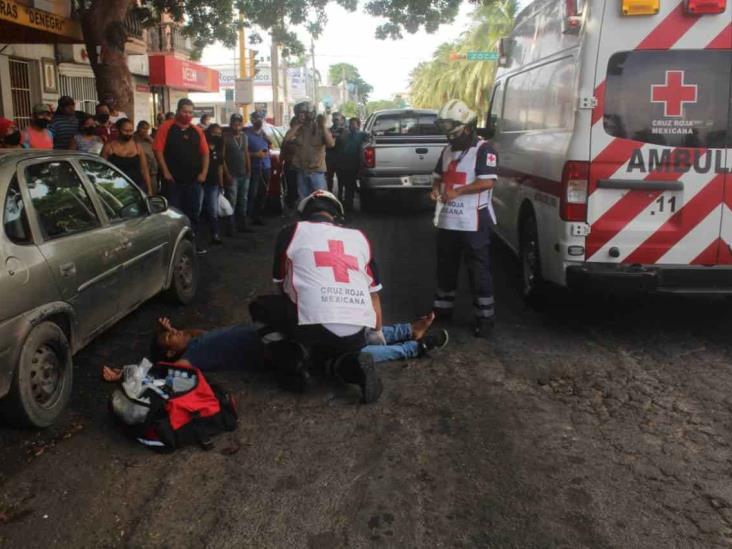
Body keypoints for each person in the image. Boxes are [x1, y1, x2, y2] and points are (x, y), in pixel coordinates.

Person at [250, 190, 383, 403]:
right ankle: (352, 366)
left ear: (304, 215)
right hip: (358, 331)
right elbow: (374, 293)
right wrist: (376, 332)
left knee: (261, 308)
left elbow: (280, 283)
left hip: (311, 327)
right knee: (330, 351)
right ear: (336, 216)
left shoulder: (291, 232)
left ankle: (292, 365)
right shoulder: (359, 237)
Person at [430, 99, 498, 338]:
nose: (450, 138)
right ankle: (442, 310)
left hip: (474, 222)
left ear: (468, 128)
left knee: (478, 269)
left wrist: (457, 191)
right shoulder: (447, 150)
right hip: (448, 220)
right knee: (445, 266)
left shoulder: (483, 150)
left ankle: (484, 318)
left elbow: (487, 181)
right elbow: (438, 177)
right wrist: (435, 189)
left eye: (454, 133)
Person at [153, 98, 209, 233]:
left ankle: (192, 243)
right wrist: (166, 172)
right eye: (185, 112)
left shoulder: (197, 131)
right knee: (174, 215)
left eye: (191, 112)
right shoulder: (166, 127)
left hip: (194, 181)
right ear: (177, 111)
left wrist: (204, 173)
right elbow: (157, 150)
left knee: (193, 213)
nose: (188, 115)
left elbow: (205, 153)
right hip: (173, 181)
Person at [283, 100, 335, 201]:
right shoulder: (297, 130)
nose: (300, 116)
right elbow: (286, 139)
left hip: (316, 173)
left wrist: (323, 126)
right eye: (298, 114)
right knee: (304, 201)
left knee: (321, 200)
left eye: (302, 113)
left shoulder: (320, 128)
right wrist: (298, 125)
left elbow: (331, 144)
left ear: (310, 113)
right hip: (302, 171)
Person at [102, 118, 153, 195]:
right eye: (125, 131)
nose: (128, 133)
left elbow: (144, 169)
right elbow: (102, 170)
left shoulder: (138, 147)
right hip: (116, 189)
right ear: (118, 130)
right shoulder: (109, 147)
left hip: (137, 186)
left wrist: (149, 190)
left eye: (131, 130)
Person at [223, 113, 251, 234]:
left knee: (243, 199)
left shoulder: (244, 137)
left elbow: (246, 153)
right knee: (232, 200)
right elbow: (222, 158)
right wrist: (227, 173)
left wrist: (249, 169)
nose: (237, 127)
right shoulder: (225, 137)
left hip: (244, 173)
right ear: (231, 125)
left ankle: (243, 225)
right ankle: (230, 227)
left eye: (239, 124)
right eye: (234, 124)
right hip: (232, 174)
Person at [335, 117, 368, 212]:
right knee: (346, 185)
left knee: (351, 186)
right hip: (344, 164)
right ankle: (347, 204)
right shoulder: (346, 135)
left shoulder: (362, 135)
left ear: (358, 125)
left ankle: (349, 205)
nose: (351, 126)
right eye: (350, 124)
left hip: (355, 164)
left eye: (353, 124)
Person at [245, 111, 272, 226]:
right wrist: (255, 155)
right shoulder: (246, 134)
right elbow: (243, 153)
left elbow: (270, 145)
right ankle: (248, 218)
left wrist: (267, 139)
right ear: (252, 120)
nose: (259, 121)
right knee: (252, 193)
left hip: (266, 167)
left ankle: (258, 216)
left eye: (261, 119)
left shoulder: (264, 134)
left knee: (262, 193)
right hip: (254, 168)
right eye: (256, 119)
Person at [201, 124, 225, 245]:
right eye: (214, 133)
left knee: (213, 209)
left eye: (219, 134)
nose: (217, 136)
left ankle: (215, 234)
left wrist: (221, 184)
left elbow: (220, 167)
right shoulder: (201, 146)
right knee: (198, 209)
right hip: (200, 182)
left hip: (213, 183)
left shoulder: (219, 148)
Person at [281, 116, 300, 210]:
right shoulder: (288, 136)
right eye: (294, 124)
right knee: (290, 187)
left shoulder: (303, 135)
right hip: (289, 166)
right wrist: (280, 163)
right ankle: (290, 206)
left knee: (299, 188)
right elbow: (282, 150)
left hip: (301, 166)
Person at [134, 121, 158, 192]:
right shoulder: (133, 139)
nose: (145, 131)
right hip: (140, 172)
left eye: (147, 129)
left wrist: (151, 140)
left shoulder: (149, 139)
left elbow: (156, 148)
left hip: (152, 172)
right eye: (143, 128)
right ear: (138, 128)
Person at [326, 112, 346, 193]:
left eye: (337, 119)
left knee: (341, 178)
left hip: (340, 158)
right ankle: (329, 194)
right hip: (330, 158)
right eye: (334, 119)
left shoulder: (344, 130)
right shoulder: (328, 130)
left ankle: (340, 196)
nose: (336, 121)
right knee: (329, 178)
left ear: (341, 120)